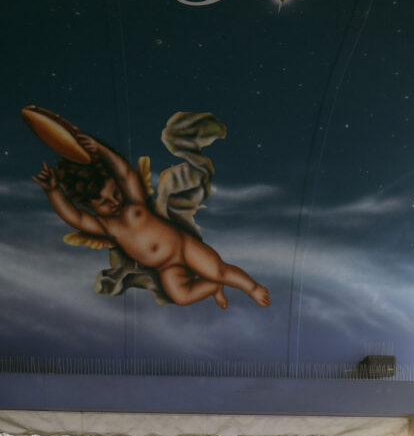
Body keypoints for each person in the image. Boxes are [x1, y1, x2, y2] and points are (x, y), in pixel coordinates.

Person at [33, 132, 271, 309]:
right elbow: (73, 217)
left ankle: (251, 287)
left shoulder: (134, 204)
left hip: (183, 247)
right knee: (181, 297)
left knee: (218, 269)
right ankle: (212, 286)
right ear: (89, 205)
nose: (114, 202)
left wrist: (101, 150)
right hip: (166, 267)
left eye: (114, 194)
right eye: (104, 203)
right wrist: (53, 191)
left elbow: (125, 174)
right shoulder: (106, 226)